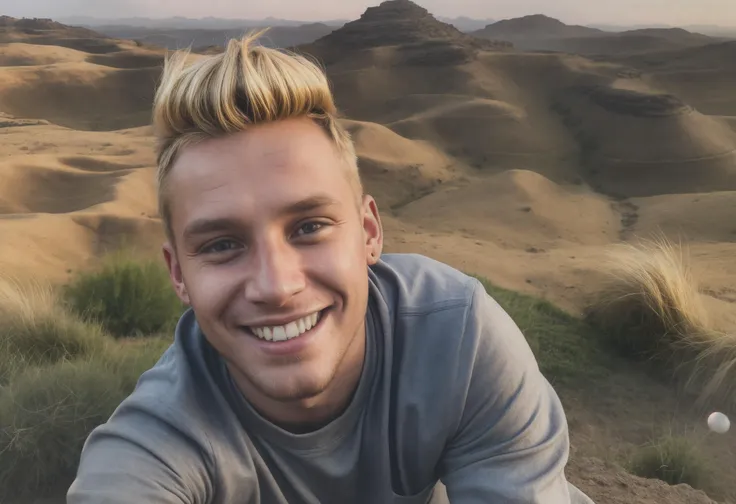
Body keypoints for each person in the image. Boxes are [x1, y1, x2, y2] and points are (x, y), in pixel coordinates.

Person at [67, 32, 594, 504]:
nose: (276, 286)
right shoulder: (156, 446)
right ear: (177, 273)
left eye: (309, 227)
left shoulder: (457, 337)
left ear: (369, 233)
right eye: (223, 244)